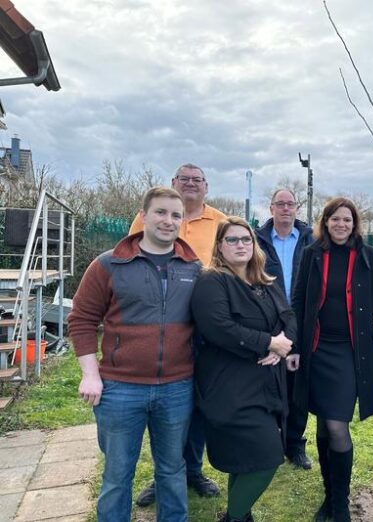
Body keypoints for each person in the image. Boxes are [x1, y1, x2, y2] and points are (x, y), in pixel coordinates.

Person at [69, 187, 201, 522]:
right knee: (117, 475)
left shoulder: (194, 268)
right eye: (160, 212)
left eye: (175, 215)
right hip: (120, 389)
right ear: (143, 216)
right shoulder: (108, 264)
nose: (168, 221)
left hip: (177, 387)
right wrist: (90, 374)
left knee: (172, 471)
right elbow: (82, 319)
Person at [292, 197, 373, 522]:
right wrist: (291, 345)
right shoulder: (312, 255)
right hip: (315, 350)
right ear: (326, 222)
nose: (341, 225)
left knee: (336, 425)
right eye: (335, 219)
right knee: (321, 421)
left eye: (347, 220)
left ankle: (340, 503)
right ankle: (329, 498)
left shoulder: (368, 257)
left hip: (348, 353)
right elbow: (298, 300)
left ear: (355, 223)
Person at [130, 163, 226, 505]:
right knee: (164, 403)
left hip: (204, 324)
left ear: (206, 186)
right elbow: (132, 255)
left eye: (196, 180)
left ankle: (193, 470)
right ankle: (164, 475)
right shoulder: (151, 216)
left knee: (196, 402)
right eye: (183, 179)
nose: (190, 184)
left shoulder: (220, 221)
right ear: (172, 184)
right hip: (160, 323)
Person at [191, 216, 296, 522]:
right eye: (232, 240)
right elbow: (218, 328)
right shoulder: (211, 281)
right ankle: (234, 518)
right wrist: (268, 343)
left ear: (255, 245)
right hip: (230, 385)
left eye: (246, 239)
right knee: (266, 457)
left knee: (248, 457)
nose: (241, 245)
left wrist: (282, 345)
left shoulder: (265, 281)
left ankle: (240, 514)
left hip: (266, 383)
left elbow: (289, 317)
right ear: (219, 247)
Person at [256, 188, 315, 470]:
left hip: (302, 321)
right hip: (268, 321)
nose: (285, 209)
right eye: (280, 204)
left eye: (290, 204)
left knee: (297, 387)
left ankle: (294, 444)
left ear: (296, 208)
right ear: (271, 209)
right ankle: (271, 444)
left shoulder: (310, 239)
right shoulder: (257, 240)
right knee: (267, 384)